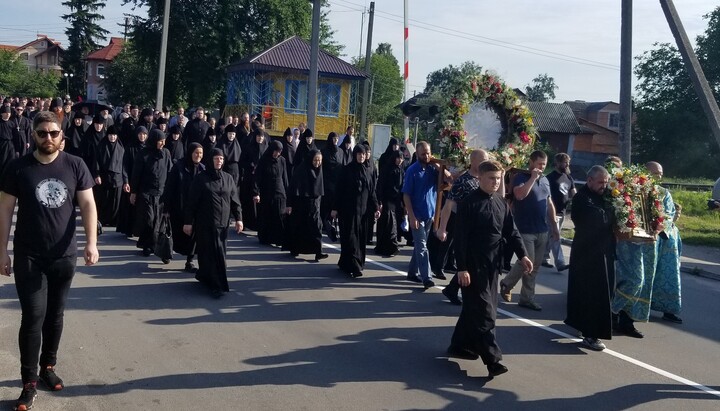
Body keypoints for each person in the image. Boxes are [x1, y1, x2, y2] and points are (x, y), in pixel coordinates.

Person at [0, 111, 99, 411]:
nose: (48, 138)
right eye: (42, 133)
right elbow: (4, 210)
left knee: (55, 316)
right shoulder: (18, 167)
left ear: (61, 135)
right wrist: (1, 250)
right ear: (33, 135)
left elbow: (88, 204)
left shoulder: (75, 165)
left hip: (64, 255)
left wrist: (91, 243)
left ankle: (48, 367)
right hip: (29, 255)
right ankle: (29, 382)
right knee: (33, 317)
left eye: (53, 133)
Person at [447, 160, 530, 377]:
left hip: (493, 265)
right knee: (485, 313)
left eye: (499, 178)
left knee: (475, 309)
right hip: (473, 266)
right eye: (492, 178)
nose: (496, 182)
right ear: (480, 178)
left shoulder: (501, 202)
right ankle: (493, 361)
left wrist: (522, 255)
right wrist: (461, 268)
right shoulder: (469, 203)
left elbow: (511, 232)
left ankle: (459, 345)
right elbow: (460, 238)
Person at [500, 150, 560, 311]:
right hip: (524, 228)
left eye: (544, 164)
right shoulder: (520, 177)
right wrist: (533, 178)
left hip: (542, 229)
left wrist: (554, 227)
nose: (542, 167)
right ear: (531, 162)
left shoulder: (545, 180)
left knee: (535, 266)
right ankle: (507, 283)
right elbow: (519, 195)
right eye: (539, 163)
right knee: (527, 261)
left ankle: (526, 298)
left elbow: (549, 204)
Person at [565, 165, 613, 351]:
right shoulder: (582, 198)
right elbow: (598, 219)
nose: (604, 186)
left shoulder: (605, 196)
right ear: (590, 180)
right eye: (600, 182)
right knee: (590, 293)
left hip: (602, 251)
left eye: (606, 182)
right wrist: (613, 211)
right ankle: (591, 334)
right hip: (586, 252)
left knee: (599, 292)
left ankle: (582, 324)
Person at [184, 148, 243, 298]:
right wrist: (188, 222)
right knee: (209, 254)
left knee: (219, 254)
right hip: (205, 223)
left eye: (221, 159)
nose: (219, 161)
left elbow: (235, 201)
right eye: (216, 158)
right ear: (211, 160)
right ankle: (216, 286)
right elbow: (192, 202)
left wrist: (239, 219)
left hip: (223, 224)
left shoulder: (228, 178)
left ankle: (208, 278)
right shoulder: (201, 179)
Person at [435, 149, 488, 305]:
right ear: (473, 161)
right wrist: (442, 228)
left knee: (474, 262)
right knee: (471, 261)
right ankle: (458, 289)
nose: (485, 163)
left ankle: (452, 289)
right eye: (482, 160)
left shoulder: (484, 180)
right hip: (465, 227)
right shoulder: (463, 181)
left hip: (480, 228)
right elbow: (448, 205)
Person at [402, 141, 445, 289]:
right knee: (422, 247)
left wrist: (438, 166)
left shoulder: (433, 169)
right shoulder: (412, 171)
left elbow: (449, 179)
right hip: (417, 215)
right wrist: (411, 216)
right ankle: (427, 277)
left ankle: (412, 272)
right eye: (423, 154)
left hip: (429, 215)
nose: (426, 156)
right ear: (417, 154)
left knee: (421, 245)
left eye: (428, 153)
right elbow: (406, 195)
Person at [332, 144, 379, 277]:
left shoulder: (368, 171)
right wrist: (334, 208)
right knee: (351, 238)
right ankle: (354, 266)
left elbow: (372, 191)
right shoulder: (346, 170)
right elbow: (339, 190)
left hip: (363, 212)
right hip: (348, 211)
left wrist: (376, 207)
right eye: (359, 154)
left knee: (360, 239)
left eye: (363, 154)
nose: (361, 156)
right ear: (355, 155)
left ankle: (349, 263)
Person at [646, 161, 683, 324]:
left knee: (668, 275)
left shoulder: (664, 193)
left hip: (666, 240)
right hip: (646, 239)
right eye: (654, 173)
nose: (658, 177)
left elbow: (669, 213)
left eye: (660, 174)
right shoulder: (637, 190)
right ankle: (639, 307)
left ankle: (668, 309)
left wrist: (659, 225)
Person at [162, 143, 205, 272]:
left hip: (195, 210)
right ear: (190, 153)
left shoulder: (203, 169)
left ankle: (189, 261)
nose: (198, 156)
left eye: (201, 153)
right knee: (175, 234)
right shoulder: (178, 167)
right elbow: (169, 188)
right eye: (196, 153)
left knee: (193, 236)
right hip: (178, 208)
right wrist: (166, 209)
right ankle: (167, 251)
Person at [130, 129, 172, 257]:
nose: (163, 143)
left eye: (164, 141)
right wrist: (133, 192)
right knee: (149, 219)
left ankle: (153, 245)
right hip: (146, 192)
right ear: (154, 141)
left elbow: (170, 171)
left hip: (161, 193)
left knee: (158, 222)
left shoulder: (166, 153)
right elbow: (136, 174)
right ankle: (147, 245)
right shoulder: (143, 154)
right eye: (160, 141)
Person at [286, 149, 327, 260]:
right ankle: (295, 248)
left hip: (315, 205)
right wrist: (289, 204)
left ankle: (318, 252)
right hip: (301, 205)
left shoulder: (319, 171)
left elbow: (319, 190)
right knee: (300, 228)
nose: (317, 163)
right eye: (315, 160)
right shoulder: (301, 170)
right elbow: (293, 188)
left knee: (317, 227)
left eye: (319, 160)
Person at [542, 153, 574, 272]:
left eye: (568, 162)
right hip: (551, 211)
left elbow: (574, 193)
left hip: (562, 212)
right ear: (557, 163)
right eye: (565, 162)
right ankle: (560, 262)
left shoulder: (569, 178)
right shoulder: (550, 178)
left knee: (551, 235)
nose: (567, 164)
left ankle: (543, 258)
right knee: (555, 236)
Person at [255, 140, 288, 247]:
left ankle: (279, 239)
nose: (277, 153)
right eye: (276, 151)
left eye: (279, 151)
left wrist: (287, 193)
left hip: (280, 191)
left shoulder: (282, 160)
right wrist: (256, 192)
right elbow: (257, 177)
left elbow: (285, 178)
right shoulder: (264, 160)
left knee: (280, 215)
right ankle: (266, 237)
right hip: (267, 191)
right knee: (267, 215)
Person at [116, 126, 148, 236]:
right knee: (130, 206)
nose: (142, 136)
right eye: (140, 134)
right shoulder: (130, 147)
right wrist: (126, 181)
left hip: (143, 182)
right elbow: (125, 165)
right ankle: (129, 229)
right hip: (131, 180)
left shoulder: (148, 148)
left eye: (144, 134)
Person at [92, 125, 125, 227]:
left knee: (115, 201)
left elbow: (124, 165)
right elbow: (96, 161)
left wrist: (125, 180)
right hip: (104, 177)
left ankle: (114, 220)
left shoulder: (121, 148)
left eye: (114, 135)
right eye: (110, 135)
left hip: (117, 178)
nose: (112, 137)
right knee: (104, 199)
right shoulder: (101, 146)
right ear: (107, 135)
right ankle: (102, 219)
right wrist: (97, 174)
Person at [374, 150, 405, 257]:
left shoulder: (401, 170)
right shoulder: (387, 169)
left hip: (396, 201)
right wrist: (379, 200)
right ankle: (391, 247)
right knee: (389, 224)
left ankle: (388, 247)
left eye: (401, 158)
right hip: (387, 200)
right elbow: (381, 185)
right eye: (398, 158)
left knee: (393, 224)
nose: (400, 160)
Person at [238, 123, 268, 231]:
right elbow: (242, 161)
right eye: (258, 136)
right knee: (248, 201)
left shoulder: (266, 148)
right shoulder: (249, 147)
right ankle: (247, 223)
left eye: (262, 136)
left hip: (261, 179)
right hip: (249, 177)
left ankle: (259, 224)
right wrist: (251, 166)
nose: (260, 138)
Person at [321, 132, 343, 239]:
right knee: (326, 203)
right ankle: (325, 223)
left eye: (337, 139)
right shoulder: (324, 151)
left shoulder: (340, 151)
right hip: (326, 181)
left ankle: (330, 224)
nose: (335, 140)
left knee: (335, 203)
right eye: (334, 138)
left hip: (337, 181)